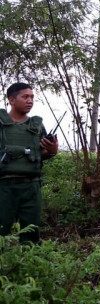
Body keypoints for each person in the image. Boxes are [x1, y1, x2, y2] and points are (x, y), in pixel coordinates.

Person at [0, 83, 58, 244]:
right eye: (25, 97)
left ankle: (29, 266)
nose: (30, 100)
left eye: (32, 97)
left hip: (31, 186)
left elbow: (42, 153)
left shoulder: (36, 126)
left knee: (31, 233)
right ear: (11, 100)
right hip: (4, 187)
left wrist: (52, 150)